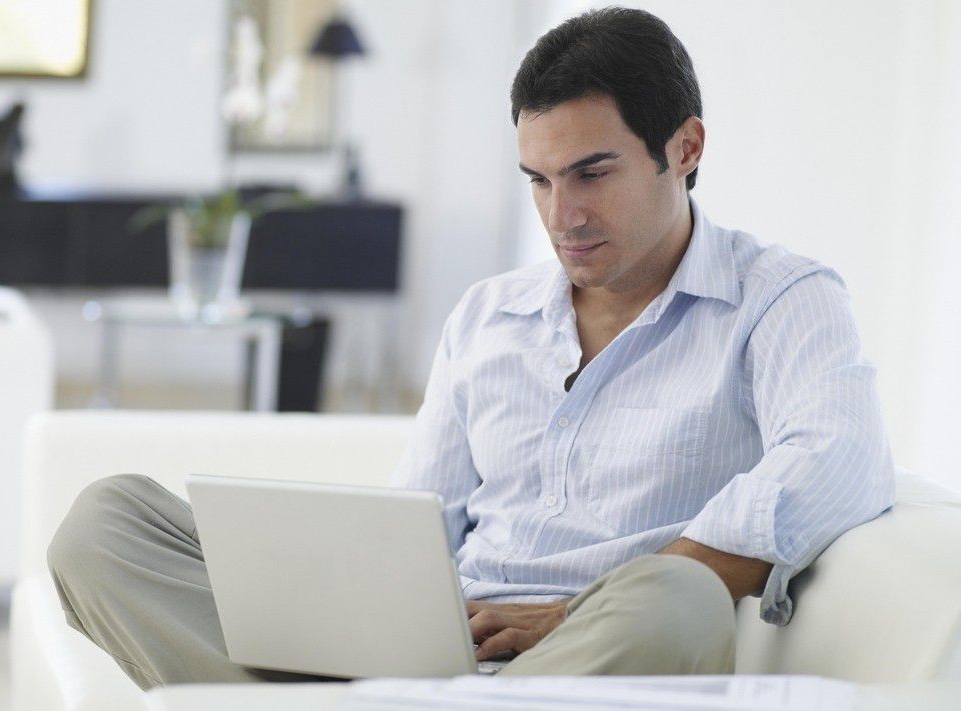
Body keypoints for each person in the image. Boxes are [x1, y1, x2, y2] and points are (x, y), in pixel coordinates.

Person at [47, 7, 895, 689]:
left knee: (680, 598)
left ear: (685, 147)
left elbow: (841, 457)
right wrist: (366, 607)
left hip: (590, 652)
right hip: (436, 649)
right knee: (105, 523)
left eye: (592, 173)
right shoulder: (488, 315)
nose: (562, 215)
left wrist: (566, 616)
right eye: (539, 180)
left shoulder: (780, 297)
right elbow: (422, 519)